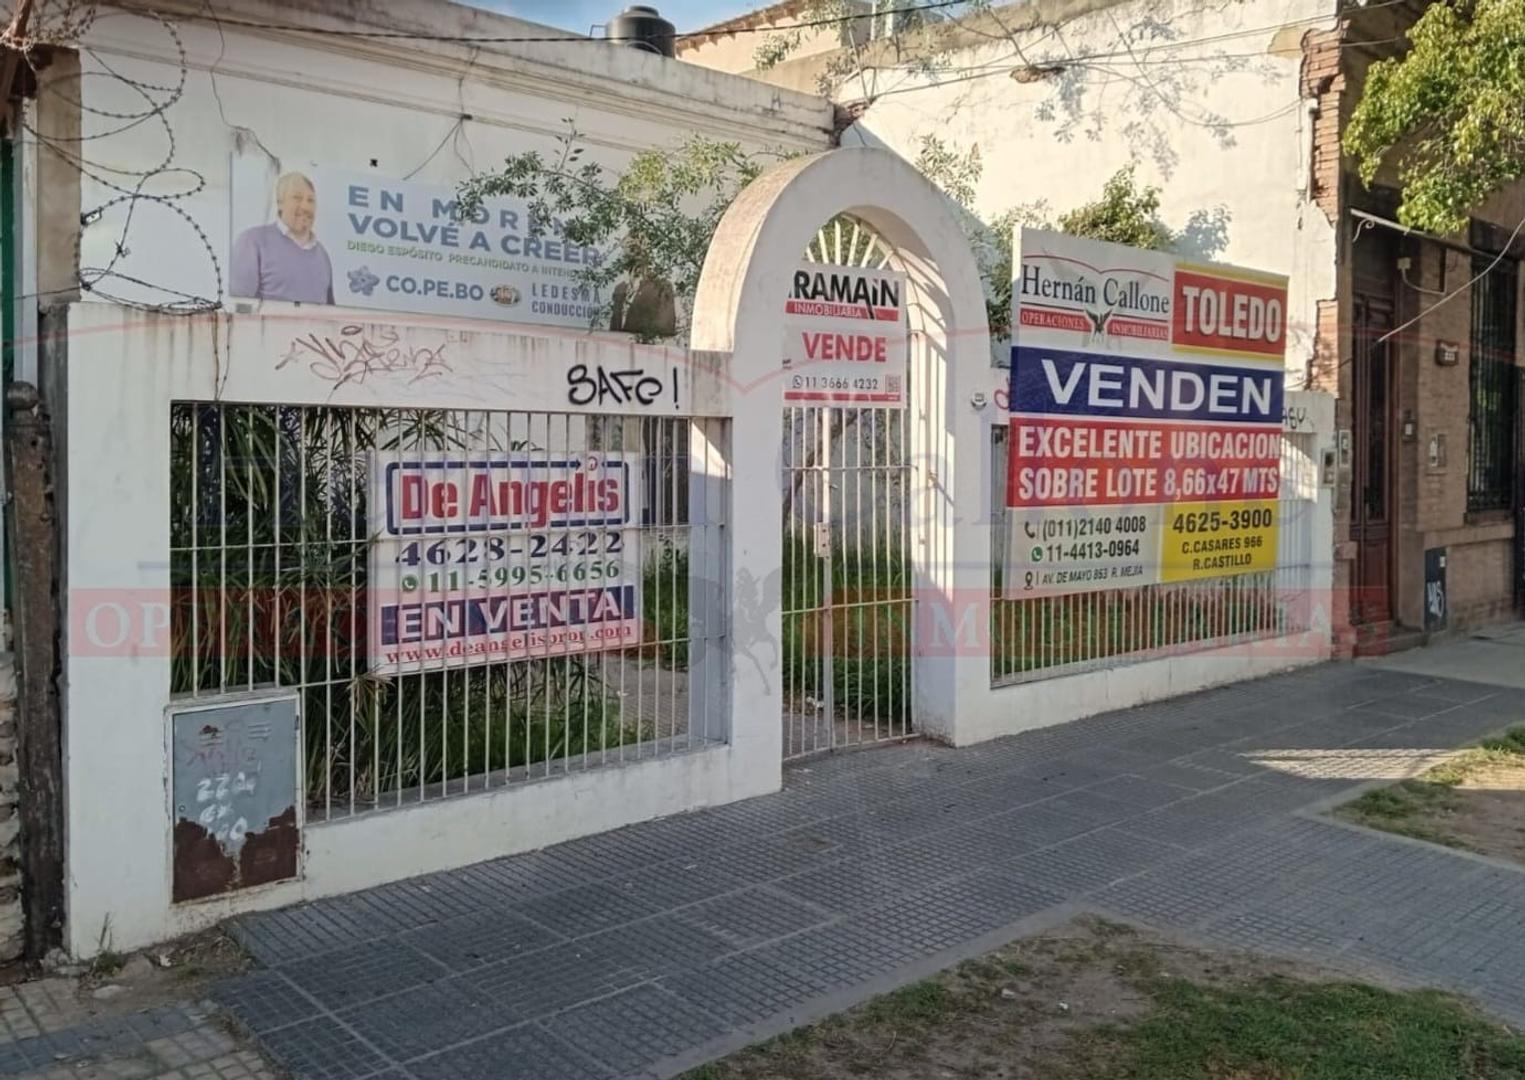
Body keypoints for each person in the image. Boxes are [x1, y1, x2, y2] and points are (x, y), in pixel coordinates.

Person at [229, 172, 335, 304]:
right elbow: (238, 307)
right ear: (280, 203)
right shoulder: (252, 242)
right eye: (297, 198)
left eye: (310, 200)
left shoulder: (322, 255)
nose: (305, 206)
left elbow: (330, 313)